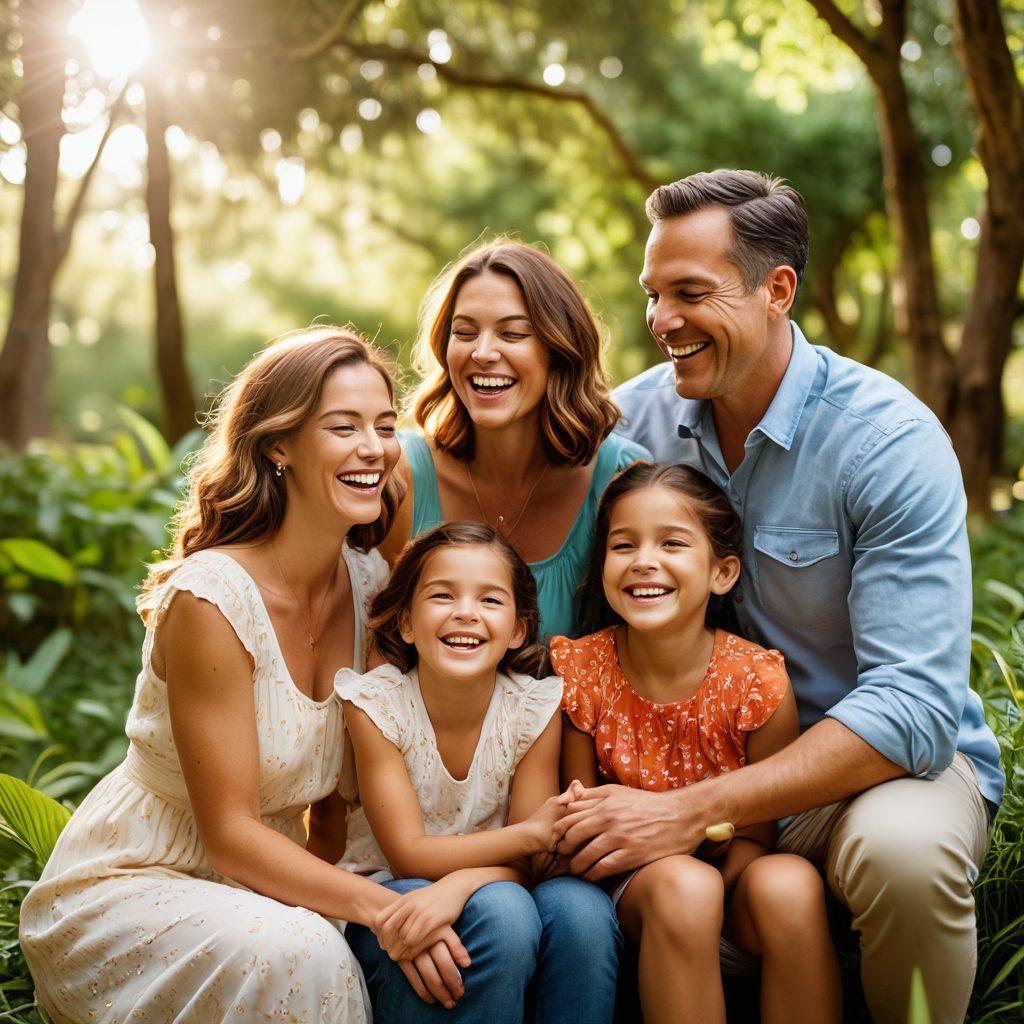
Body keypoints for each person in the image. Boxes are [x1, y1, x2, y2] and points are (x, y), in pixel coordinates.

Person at [555, 170, 1003, 1024]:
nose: (661, 321)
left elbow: (913, 709)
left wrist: (691, 811)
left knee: (905, 857)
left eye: (691, 292)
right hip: (688, 753)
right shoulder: (627, 429)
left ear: (777, 291)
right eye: (654, 295)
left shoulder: (887, 440)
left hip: (869, 770)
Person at [18, 327, 462, 1022]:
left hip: (265, 891)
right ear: (277, 445)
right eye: (342, 427)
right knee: (304, 950)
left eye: (382, 426)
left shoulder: (371, 584)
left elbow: (336, 811)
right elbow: (228, 833)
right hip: (137, 883)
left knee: (376, 937)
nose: (373, 449)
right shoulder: (212, 599)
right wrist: (385, 910)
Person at [552, 461, 840, 1024]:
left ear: (722, 572)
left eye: (673, 543)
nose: (644, 561)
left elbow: (760, 827)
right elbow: (579, 823)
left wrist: (713, 868)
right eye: (623, 544)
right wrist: (687, 870)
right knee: (686, 885)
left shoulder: (756, 681)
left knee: (790, 883)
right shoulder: (580, 672)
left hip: (732, 874)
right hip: (628, 886)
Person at [339, 520, 620, 1024]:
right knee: (504, 915)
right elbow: (408, 856)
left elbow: (533, 856)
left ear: (518, 629)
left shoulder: (532, 709)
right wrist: (525, 839)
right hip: (388, 888)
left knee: (581, 912)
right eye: (443, 596)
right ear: (405, 621)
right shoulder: (377, 705)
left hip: (503, 882)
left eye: (490, 600)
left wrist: (461, 884)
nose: (465, 613)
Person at [381, 239, 649, 640]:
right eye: (465, 332)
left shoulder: (622, 477)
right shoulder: (400, 475)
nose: (483, 352)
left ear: (560, 349)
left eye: (513, 333)